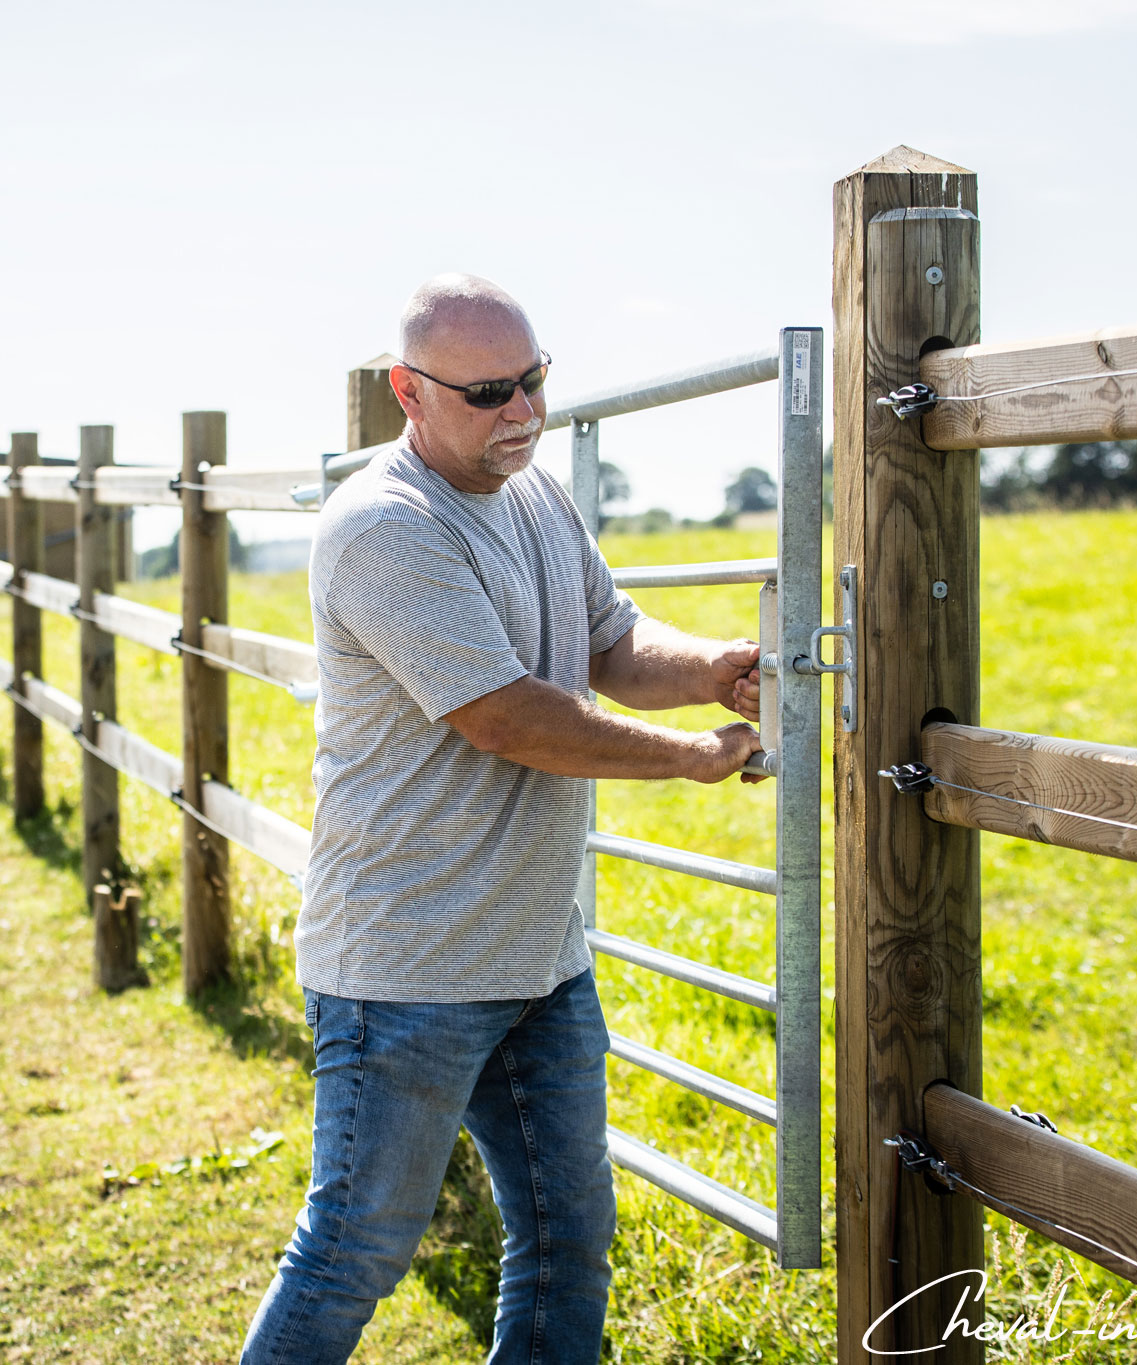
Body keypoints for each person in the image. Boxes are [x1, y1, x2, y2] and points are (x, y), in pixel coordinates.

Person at [241, 275, 765, 1364]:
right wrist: (685, 762)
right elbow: (503, 716)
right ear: (407, 393)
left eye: (533, 381)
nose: (521, 412)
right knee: (352, 1253)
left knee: (568, 1240)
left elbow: (611, 643)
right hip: (404, 969)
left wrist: (712, 671)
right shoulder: (384, 529)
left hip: (535, 962)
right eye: (487, 392)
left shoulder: (532, 493)